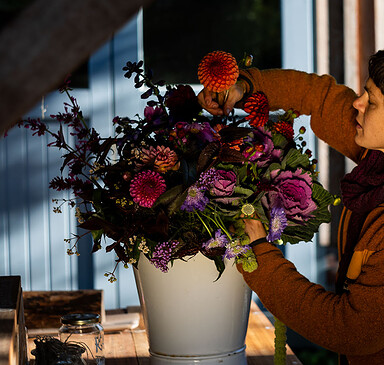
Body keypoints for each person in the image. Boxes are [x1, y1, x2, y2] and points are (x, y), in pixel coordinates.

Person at [198, 50, 384, 365]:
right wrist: (245, 88)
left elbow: (351, 328)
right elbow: (319, 96)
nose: (358, 102)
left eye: (373, 101)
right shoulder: (377, 162)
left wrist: (261, 255)